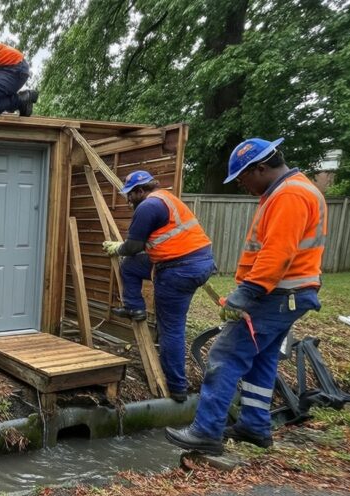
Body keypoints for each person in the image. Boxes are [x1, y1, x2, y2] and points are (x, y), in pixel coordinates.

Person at [165, 137, 327, 455]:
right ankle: (254, 426)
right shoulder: (294, 189)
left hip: (276, 294)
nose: (243, 185)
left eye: (243, 178)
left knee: (224, 356)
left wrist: (246, 293)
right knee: (261, 359)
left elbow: (277, 252)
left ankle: (206, 432)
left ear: (260, 168)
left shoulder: (289, 194)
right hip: (289, 294)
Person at [101, 170, 217, 402]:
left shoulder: (148, 206)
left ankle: (177, 387)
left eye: (130, 194)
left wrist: (117, 248)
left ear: (140, 191)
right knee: (130, 266)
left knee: (171, 328)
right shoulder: (166, 198)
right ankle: (134, 307)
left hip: (178, 270)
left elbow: (133, 247)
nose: (128, 200)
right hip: (198, 263)